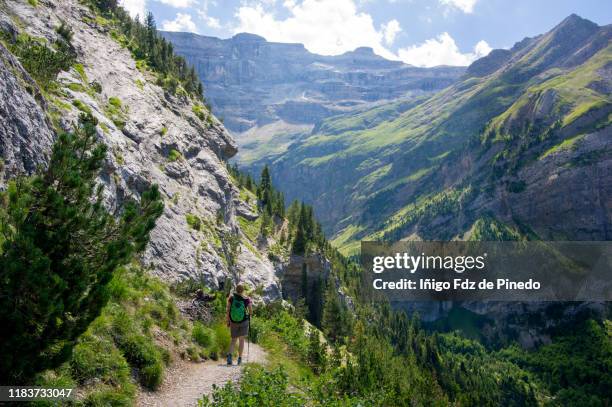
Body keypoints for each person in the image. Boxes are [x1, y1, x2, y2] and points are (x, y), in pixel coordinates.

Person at [226, 283, 252, 365]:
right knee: (241, 340)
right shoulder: (246, 299)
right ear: (243, 290)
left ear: (236, 289)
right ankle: (239, 359)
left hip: (233, 322)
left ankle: (229, 357)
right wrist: (248, 316)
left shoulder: (231, 298)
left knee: (233, 340)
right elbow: (251, 311)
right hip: (243, 321)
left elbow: (228, 310)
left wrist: (228, 321)